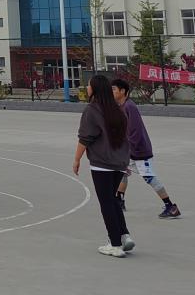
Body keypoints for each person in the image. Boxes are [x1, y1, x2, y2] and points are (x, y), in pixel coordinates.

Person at [73, 74, 133, 257]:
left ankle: (114, 244)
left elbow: (85, 138)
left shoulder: (92, 110)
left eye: (89, 85)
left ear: (95, 89)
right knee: (112, 199)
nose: (87, 88)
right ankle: (124, 235)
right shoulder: (117, 109)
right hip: (119, 162)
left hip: (102, 163)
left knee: (106, 202)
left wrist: (76, 159)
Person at [111, 78, 182, 219]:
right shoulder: (121, 106)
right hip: (129, 150)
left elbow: (136, 131)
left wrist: (129, 148)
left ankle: (171, 206)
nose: (111, 92)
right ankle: (119, 200)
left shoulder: (129, 106)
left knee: (149, 178)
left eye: (113, 89)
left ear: (123, 91)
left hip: (139, 151)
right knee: (121, 172)